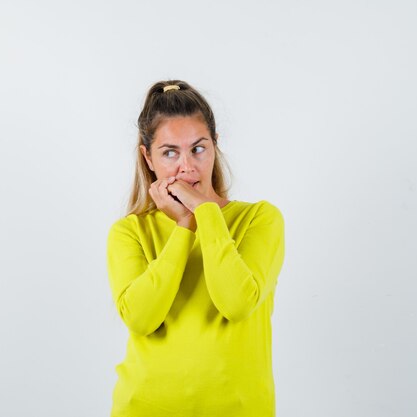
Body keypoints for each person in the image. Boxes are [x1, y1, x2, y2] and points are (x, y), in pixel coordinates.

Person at [106, 80, 286, 417]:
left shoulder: (260, 219)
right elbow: (141, 319)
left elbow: (236, 303)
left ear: (215, 146)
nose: (187, 166)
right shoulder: (130, 231)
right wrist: (184, 227)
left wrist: (206, 214)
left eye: (198, 148)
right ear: (148, 157)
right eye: (170, 152)